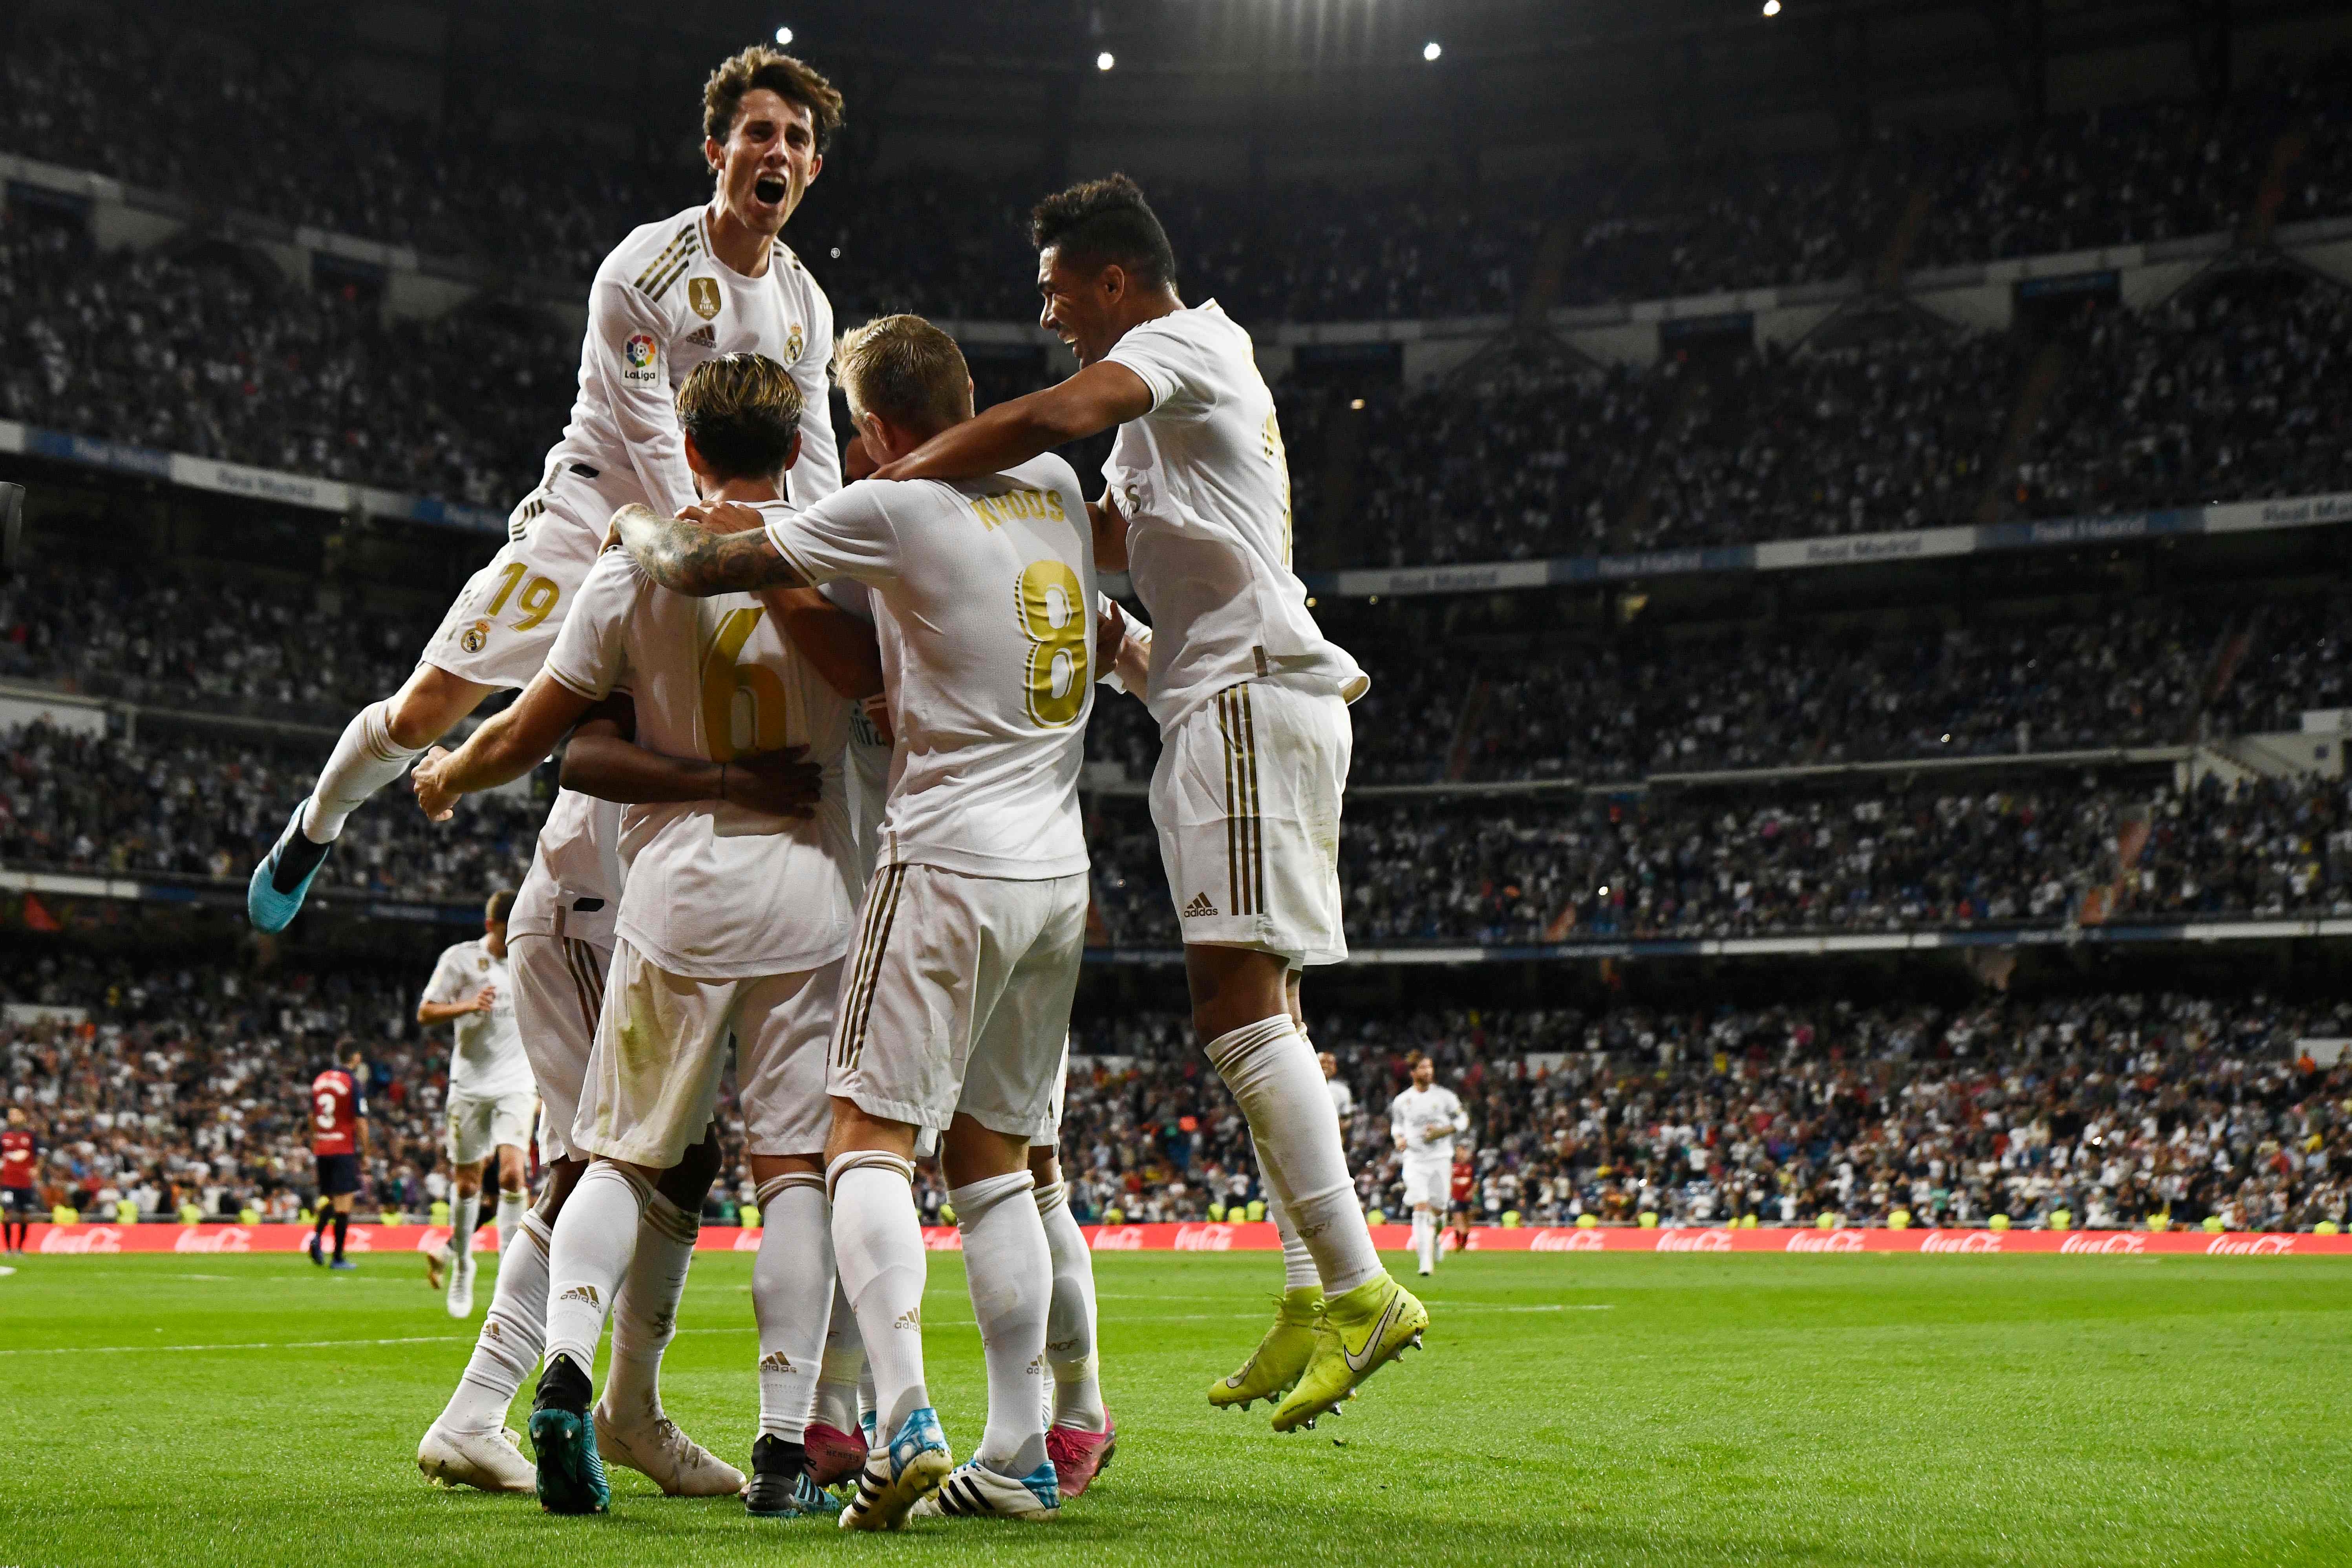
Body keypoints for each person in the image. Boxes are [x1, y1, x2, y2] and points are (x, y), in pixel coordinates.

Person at [862, 173, 1420, 1431]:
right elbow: (1112, 535)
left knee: (1233, 1008)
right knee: (1265, 1004)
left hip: (1245, 698)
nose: (1048, 313)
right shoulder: (1182, 389)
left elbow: (1053, 416)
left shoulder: (1175, 348)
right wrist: (1050, 579)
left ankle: (1359, 1286)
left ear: (1113, 280)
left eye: (1056, 289)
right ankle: (1308, 1287)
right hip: (1223, 692)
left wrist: (916, 483)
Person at [613, 312, 1097, 1527]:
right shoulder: (1053, 484)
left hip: (944, 862)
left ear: (874, 429)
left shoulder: (890, 506)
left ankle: (905, 1416)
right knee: (997, 1161)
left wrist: (635, 524)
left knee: (860, 1143)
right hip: (1059, 871)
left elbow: (694, 566)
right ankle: (1021, 1448)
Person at [413, 351, 868, 1518]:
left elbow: (539, 733)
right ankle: (782, 1450)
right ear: (796, 446)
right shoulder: (838, 557)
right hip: (810, 889)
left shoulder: (629, 570)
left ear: (690, 448)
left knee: (617, 1155)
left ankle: (565, 1377)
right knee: (793, 1173)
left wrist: (451, 771)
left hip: (672, 895)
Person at [248, 44, 845, 932]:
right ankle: (315, 826)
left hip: (720, 528)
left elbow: (816, 455)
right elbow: (653, 443)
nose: (778, 151)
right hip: (597, 506)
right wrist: (718, 556)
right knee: (427, 709)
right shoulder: (643, 271)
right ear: (716, 151)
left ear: (813, 168)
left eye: (796, 139)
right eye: (760, 132)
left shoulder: (806, 305)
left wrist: (821, 562)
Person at [415, 714, 825, 1495]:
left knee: (682, 1158)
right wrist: (455, 768)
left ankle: (621, 1407)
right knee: (598, 1163)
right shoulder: (649, 636)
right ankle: (496, 1411)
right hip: (595, 912)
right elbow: (556, 720)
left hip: (631, 913)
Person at [417, 890, 531, 1317]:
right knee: (467, 1184)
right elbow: (425, 1012)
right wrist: (468, 1005)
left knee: (513, 1175)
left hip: (517, 1083)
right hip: (469, 1084)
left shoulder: (532, 957)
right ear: (490, 927)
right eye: (507, 931)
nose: (514, 938)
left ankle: (508, 1283)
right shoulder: (461, 959)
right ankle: (463, 1265)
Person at [1388, 1055, 1467, 1278]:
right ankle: (1425, 1262)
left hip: (1441, 1158)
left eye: (1430, 1067)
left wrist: (1442, 1131)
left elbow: (1463, 1121)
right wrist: (1399, 1139)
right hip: (1415, 1159)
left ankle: (1436, 1237)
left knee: (1440, 1208)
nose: (1428, 1071)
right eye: (1423, 1067)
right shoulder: (1402, 1101)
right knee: (1421, 1205)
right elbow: (1397, 1126)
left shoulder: (1445, 1097)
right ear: (1413, 1072)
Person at [306, 1040, 371, 1272]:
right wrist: (366, 1153)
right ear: (355, 1057)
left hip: (323, 1148)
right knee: (344, 1203)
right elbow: (360, 1121)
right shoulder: (351, 1082)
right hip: (343, 1148)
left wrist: (316, 1141)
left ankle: (316, 1237)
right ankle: (338, 1257)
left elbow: (312, 1116)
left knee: (331, 1199)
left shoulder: (320, 1080)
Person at [3, 1106, 40, 1254]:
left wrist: (37, 1168)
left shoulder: (31, 1136)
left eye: (17, 1114)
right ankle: (8, 1249)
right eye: (12, 1115)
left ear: (23, 1116)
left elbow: (40, 1155)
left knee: (25, 1216)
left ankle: (20, 1248)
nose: (14, 1117)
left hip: (25, 1182)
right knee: (7, 1214)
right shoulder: (4, 1136)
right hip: (8, 1182)